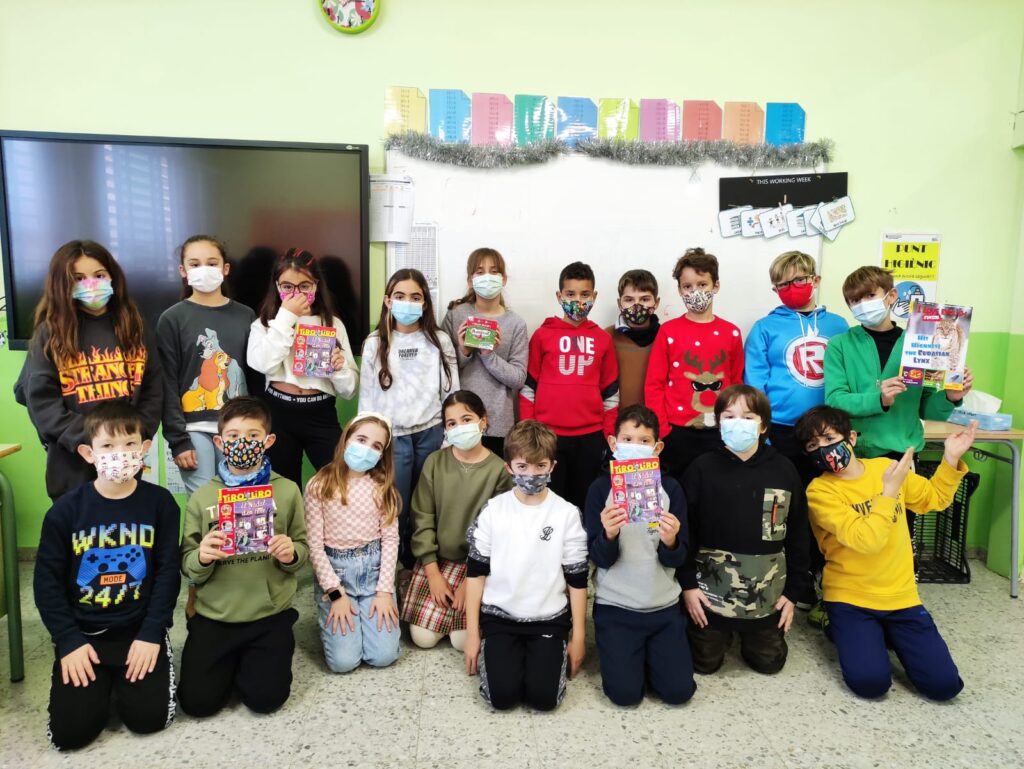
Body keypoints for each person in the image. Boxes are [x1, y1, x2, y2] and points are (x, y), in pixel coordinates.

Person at [795, 405, 975, 701]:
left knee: (945, 686)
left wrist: (950, 459)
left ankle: (883, 633)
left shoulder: (884, 468)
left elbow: (935, 499)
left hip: (900, 596)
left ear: (851, 438)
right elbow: (866, 540)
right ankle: (837, 624)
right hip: (850, 598)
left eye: (829, 439)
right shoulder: (819, 492)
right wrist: (889, 493)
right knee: (870, 684)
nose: (824, 449)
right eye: (813, 446)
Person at [33, 402, 180, 750]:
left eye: (130, 444)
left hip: (138, 630)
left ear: (144, 448)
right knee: (71, 735)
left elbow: (167, 573)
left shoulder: (161, 504)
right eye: (108, 446)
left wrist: (151, 633)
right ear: (89, 453)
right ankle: (101, 686)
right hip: (85, 634)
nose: (120, 453)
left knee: (149, 720)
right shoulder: (64, 512)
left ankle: (123, 682)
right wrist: (68, 640)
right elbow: (46, 583)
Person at [177, 396, 309, 716]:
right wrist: (202, 557)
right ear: (220, 442)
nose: (243, 443)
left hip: (268, 613)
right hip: (215, 615)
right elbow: (187, 561)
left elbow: (303, 548)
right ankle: (229, 662)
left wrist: (291, 553)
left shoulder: (287, 490)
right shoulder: (203, 497)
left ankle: (255, 660)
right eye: (234, 436)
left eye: (253, 435)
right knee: (198, 703)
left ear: (269, 441)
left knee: (266, 700)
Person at [15, 239, 162, 500]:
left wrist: (132, 437)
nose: (91, 284)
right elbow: (42, 402)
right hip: (71, 467)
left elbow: (153, 388)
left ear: (112, 277)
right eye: (79, 278)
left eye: (99, 275)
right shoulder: (50, 334)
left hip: (125, 461)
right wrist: (98, 441)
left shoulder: (136, 328)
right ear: (63, 284)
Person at [744, 250, 848, 612]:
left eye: (799, 279)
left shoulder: (839, 326)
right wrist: (763, 434)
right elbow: (755, 386)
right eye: (783, 283)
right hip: (781, 433)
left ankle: (820, 576)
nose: (793, 287)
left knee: (825, 508)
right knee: (783, 510)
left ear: (815, 280)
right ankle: (787, 577)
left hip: (827, 434)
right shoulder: (764, 328)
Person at [680, 385, 809, 675]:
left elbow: (799, 534)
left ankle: (750, 633)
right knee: (704, 663)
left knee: (769, 663)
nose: (738, 423)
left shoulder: (784, 470)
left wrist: (793, 593)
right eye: (729, 416)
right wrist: (688, 586)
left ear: (763, 425)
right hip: (709, 594)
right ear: (718, 423)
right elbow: (685, 533)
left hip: (766, 594)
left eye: (748, 417)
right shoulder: (701, 468)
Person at [463, 420, 588, 711]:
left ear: (552, 466)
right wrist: (472, 633)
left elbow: (578, 579)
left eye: (540, 466)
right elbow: (476, 573)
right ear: (508, 467)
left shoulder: (567, 514)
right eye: (522, 466)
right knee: (502, 697)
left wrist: (579, 636)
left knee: (544, 700)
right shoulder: (493, 511)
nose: (531, 474)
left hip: (549, 618)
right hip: (499, 617)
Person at [584, 404, 696, 706]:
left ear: (657, 448)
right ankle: (633, 658)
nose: (635, 446)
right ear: (613, 443)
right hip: (615, 606)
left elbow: (678, 558)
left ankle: (651, 657)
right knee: (624, 695)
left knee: (679, 692)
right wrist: (608, 535)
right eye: (627, 439)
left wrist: (671, 541)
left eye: (644, 441)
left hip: (663, 606)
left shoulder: (671, 489)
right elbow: (599, 559)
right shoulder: (600, 490)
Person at [360, 268, 459, 568]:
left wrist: (450, 435)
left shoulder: (439, 340)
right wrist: (368, 442)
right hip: (393, 438)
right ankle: (397, 565)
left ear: (425, 302)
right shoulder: (375, 342)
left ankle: (423, 565)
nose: (408, 302)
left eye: (415, 297)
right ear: (388, 301)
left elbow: (452, 392)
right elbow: (367, 400)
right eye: (400, 296)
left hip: (432, 432)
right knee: (396, 507)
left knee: (427, 506)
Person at [402, 391, 514, 651]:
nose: (459, 427)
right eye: (451, 423)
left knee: (462, 641)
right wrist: (432, 573)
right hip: (436, 561)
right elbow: (422, 517)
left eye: (466, 419)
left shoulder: (499, 471)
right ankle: (410, 582)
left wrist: (470, 580)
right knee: (423, 639)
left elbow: (498, 532)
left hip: (476, 565)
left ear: (483, 421)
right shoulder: (434, 462)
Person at [824, 266, 970, 460]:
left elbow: (926, 409)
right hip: (856, 454)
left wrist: (950, 397)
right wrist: (879, 400)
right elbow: (835, 400)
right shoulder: (840, 345)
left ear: (892, 295)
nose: (863, 304)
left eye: (870, 295)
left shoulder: (920, 345)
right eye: (855, 300)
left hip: (904, 453)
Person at [247, 248, 358, 487]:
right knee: (283, 487)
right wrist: (286, 316)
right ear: (277, 286)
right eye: (287, 287)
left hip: (320, 412)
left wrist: (338, 369)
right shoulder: (264, 324)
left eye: (304, 286)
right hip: (279, 412)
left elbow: (349, 390)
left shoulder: (333, 324)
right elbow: (262, 364)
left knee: (340, 481)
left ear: (316, 285)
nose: (296, 293)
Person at [157, 234, 255, 495]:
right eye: (195, 264)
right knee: (205, 503)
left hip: (239, 426)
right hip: (193, 428)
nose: (204, 269)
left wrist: (258, 428)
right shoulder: (172, 319)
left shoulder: (245, 315)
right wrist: (178, 441)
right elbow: (167, 382)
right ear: (183, 271)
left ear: (225, 268)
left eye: (212, 263)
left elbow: (254, 377)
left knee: (238, 501)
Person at [304, 412, 401, 672]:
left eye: (376, 446)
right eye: (361, 439)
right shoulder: (318, 485)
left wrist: (384, 592)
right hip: (336, 576)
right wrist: (336, 595)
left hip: (373, 575)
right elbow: (314, 546)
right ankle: (334, 620)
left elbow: (390, 540)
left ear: (382, 455)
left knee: (383, 656)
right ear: (346, 439)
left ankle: (367, 615)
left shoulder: (382, 487)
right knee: (344, 662)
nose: (367, 449)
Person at [519, 261, 619, 510]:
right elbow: (528, 387)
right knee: (549, 505)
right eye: (570, 294)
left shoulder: (603, 339)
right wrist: (529, 431)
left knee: (584, 504)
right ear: (559, 296)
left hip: (591, 437)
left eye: (585, 294)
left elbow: (611, 393)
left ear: (594, 296)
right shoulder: (542, 335)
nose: (578, 300)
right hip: (548, 436)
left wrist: (607, 435)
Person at [645, 248, 743, 481]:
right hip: (676, 434)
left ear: (715, 286)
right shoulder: (668, 332)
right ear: (680, 289)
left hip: (720, 433)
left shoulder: (731, 333)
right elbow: (654, 384)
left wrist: (733, 427)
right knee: (677, 492)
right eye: (687, 286)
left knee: (715, 490)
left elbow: (736, 383)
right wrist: (663, 430)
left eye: (702, 284)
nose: (695, 291)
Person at [441, 247, 529, 458]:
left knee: (494, 477)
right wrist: (463, 351)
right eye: (480, 272)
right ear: (470, 281)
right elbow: (441, 372)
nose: (487, 277)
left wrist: (489, 356)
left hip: (498, 423)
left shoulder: (515, 323)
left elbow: (518, 379)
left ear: (503, 279)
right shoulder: (456, 315)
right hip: (459, 421)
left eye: (494, 271)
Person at [604, 269, 662, 409]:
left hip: (656, 418)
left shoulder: (666, 337)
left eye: (644, 299)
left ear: (656, 302)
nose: (637, 305)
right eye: (629, 300)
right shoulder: (606, 337)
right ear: (620, 303)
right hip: (618, 419)